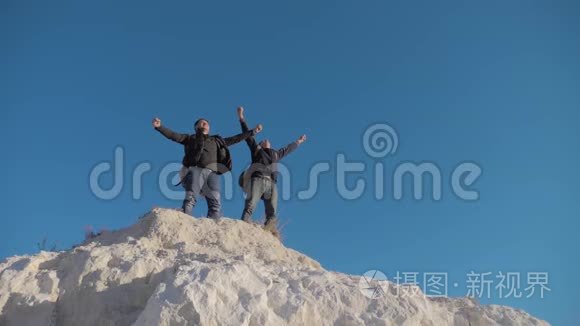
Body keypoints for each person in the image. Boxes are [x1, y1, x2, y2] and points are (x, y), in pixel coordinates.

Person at [152, 113, 263, 218]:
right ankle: (185, 220)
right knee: (191, 198)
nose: (205, 124)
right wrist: (160, 127)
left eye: (206, 123)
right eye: (202, 122)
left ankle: (213, 225)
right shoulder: (190, 138)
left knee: (215, 203)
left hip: (212, 174)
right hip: (195, 170)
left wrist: (252, 132)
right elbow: (173, 135)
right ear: (196, 127)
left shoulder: (216, 140)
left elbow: (236, 138)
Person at [237, 107, 306, 236]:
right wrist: (241, 117)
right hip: (257, 179)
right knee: (251, 204)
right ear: (261, 143)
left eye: (267, 140)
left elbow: (288, 149)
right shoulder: (257, 150)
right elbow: (247, 137)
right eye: (263, 140)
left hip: (272, 184)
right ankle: (244, 226)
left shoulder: (276, 154)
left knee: (272, 211)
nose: (266, 140)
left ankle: (270, 234)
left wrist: (299, 141)